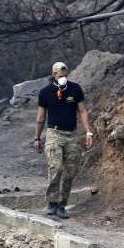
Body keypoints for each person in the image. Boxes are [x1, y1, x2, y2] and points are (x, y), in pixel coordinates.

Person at [35, 61, 93, 219]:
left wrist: (88, 132)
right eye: (61, 76)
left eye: (66, 76)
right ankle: (51, 202)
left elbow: (82, 110)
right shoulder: (45, 92)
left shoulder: (75, 89)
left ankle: (62, 204)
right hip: (54, 133)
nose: (64, 78)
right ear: (54, 75)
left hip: (71, 134)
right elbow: (40, 118)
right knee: (55, 167)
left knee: (69, 171)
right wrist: (37, 138)